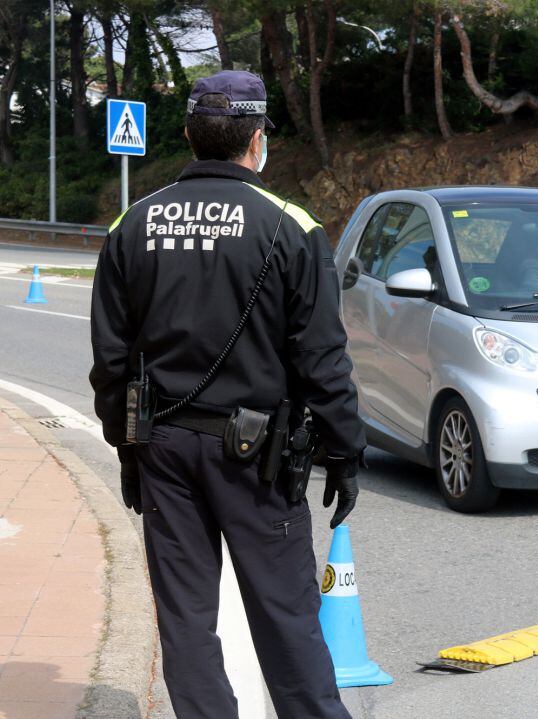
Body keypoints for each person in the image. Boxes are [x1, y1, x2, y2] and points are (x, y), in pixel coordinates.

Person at [89, 70, 361, 718]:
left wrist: (130, 450)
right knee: (286, 618)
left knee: (186, 621)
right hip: (258, 456)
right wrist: (345, 451)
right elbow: (322, 358)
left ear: (188, 134)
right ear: (258, 139)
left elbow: (110, 363)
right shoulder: (290, 226)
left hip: (165, 449)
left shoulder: (135, 223)